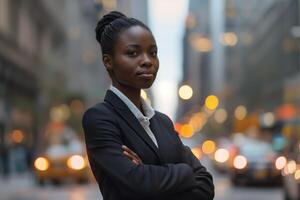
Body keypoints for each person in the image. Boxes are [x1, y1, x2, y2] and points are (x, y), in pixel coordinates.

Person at [82, 11, 214, 200]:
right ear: (108, 61)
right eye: (133, 53)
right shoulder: (99, 119)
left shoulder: (163, 123)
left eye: (152, 53)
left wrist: (149, 173)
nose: (147, 61)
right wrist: (186, 172)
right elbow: (138, 185)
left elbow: (206, 186)